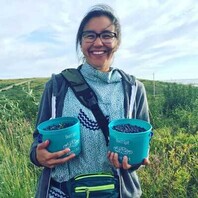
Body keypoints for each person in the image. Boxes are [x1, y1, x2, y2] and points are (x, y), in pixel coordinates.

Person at [30, 4, 150, 198]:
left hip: (117, 192)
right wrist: (38, 156)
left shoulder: (134, 89)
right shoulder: (58, 86)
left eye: (106, 35)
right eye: (90, 35)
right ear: (81, 42)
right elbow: (38, 141)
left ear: (117, 42)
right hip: (62, 192)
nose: (98, 42)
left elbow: (141, 144)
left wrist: (134, 161)